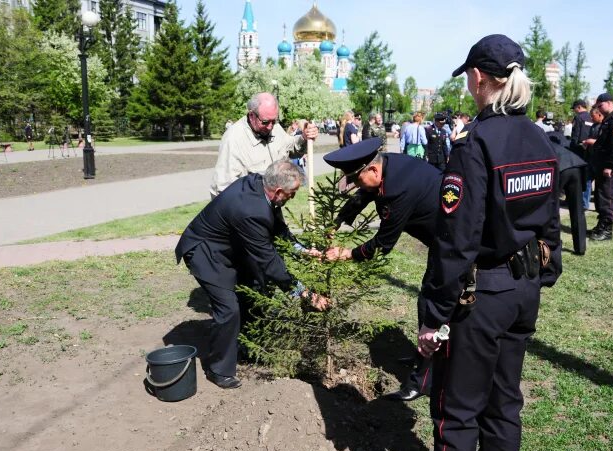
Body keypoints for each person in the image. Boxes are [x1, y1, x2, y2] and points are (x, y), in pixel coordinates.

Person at [391, 34, 561, 451]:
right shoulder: (539, 137)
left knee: (457, 405)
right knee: (505, 396)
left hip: (482, 295)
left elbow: (455, 241)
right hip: (522, 292)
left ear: (481, 78)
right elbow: (551, 218)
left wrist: (433, 316)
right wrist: (541, 274)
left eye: (468, 76)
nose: (467, 83)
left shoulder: (475, 145)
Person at [175, 160, 329, 389]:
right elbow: (270, 262)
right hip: (205, 252)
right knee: (228, 308)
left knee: (252, 288)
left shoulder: (262, 185)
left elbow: (278, 228)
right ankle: (219, 370)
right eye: (292, 193)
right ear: (278, 191)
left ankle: (245, 345)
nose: (293, 198)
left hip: (230, 247)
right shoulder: (251, 210)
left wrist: (302, 250)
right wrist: (304, 293)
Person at [323, 137, 443, 402]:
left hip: (452, 243)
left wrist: (346, 254)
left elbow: (382, 245)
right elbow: (364, 193)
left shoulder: (398, 190)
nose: (355, 185)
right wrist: (339, 220)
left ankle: (421, 381)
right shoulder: (387, 165)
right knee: (430, 304)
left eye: (355, 179)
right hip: (443, 240)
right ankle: (424, 355)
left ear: (373, 170)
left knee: (431, 305)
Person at [210, 92, 318, 198]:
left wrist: (304, 137)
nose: (270, 127)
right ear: (252, 115)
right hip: (247, 207)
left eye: (274, 121)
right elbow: (223, 189)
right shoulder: (233, 138)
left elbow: (291, 148)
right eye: (265, 122)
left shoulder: (274, 126)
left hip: (271, 205)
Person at [588, 92, 613, 241]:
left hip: (608, 167)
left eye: (600, 105)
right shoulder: (607, 120)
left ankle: (607, 230)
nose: (599, 109)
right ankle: (601, 225)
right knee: (600, 197)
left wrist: (610, 166)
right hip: (601, 164)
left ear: (609, 103)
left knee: (607, 199)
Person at [581, 106, 604, 211]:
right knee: (587, 181)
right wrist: (586, 143)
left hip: (599, 159)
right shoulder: (594, 125)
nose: (591, 118)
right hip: (590, 157)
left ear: (599, 114)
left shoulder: (604, 126)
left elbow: (603, 143)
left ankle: (600, 206)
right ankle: (584, 204)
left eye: (592, 116)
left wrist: (590, 141)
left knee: (600, 185)